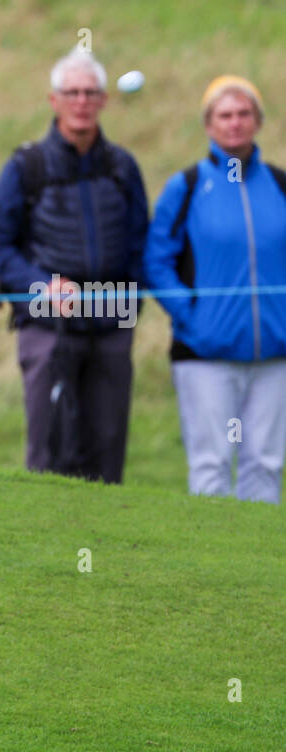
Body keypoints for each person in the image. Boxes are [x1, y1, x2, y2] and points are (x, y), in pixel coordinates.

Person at [0, 50, 148, 484]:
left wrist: (130, 306)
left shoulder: (122, 168)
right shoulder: (26, 166)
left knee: (106, 455)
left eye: (90, 92)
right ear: (54, 101)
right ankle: (45, 546)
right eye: (71, 92)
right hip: (47, 328)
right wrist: (41, 286)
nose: (81, 101)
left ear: (104, 101)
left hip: (111, 328)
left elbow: (138, 245)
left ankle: (105, 546)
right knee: (50, 450)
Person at [144, 77, 286, 504]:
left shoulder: (280, 184)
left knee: (265, 463)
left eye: (244, 114)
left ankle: (258, 562)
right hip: (205, 357)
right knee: (211, 464)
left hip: (274, 356)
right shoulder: (186, 187)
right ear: (209, 125)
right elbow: (156, 261)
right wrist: (193, 316)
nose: (235, 123)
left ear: (258, 121)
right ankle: (212, 567)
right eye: (225, 115)